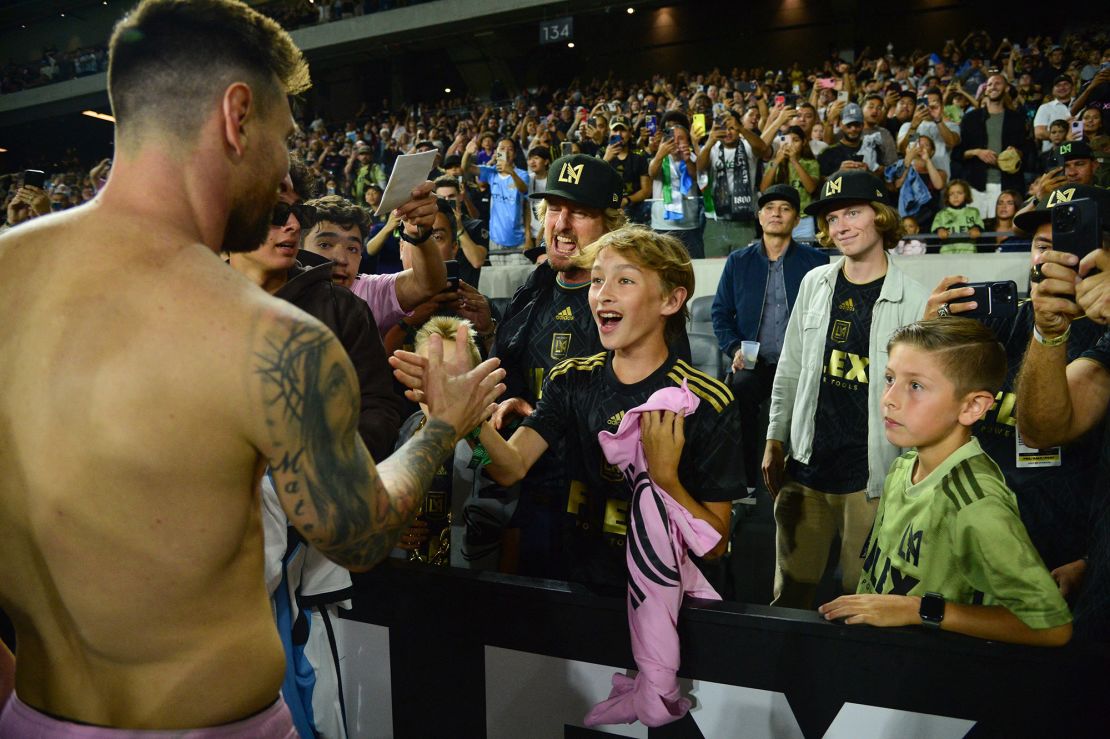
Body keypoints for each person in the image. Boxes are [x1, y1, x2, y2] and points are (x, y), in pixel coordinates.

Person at [0, 0, 505, 731]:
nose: (281, 170)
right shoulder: (271, 338)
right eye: (283, 137)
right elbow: (358, 533)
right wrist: (441, 424)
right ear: (238, 116)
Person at [398, 227, 744, 590]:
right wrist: (467, 423)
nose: (603, 295)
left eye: (624, 281)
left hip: (667, 605)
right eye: (597, 280)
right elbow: (507, 467)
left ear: (671, 301)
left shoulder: (706, 402)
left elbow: (715, 547)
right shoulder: (571, 379)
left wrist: (666, 481)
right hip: (579, 590)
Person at [818, 318, 1072, 647]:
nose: (889, 399)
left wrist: (920, 610)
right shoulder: (903, 466)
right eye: (890, 379)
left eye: (916, 386)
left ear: (972, 406)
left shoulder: (975, 504)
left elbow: (1051, 627)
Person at [763, 171, 930, 609]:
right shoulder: (814, 283)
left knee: (862, 599)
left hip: (871, 476)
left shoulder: (914, 299)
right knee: (791, 595)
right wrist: (774, 438)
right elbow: (790, 369)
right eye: (833, 218)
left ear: (880, 217)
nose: (841, 226)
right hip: (806, 469)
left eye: (853, 213)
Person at [488, 154, 626, 578]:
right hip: (522, 492)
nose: (562, 224)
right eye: (554, 209)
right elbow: (488, 422)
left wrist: (543, 417)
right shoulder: (532, 290)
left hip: (600, 509)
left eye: (580, 213)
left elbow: (649, 413)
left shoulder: (631, 301)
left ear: (611, 224)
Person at [1011, 185, 1110, 642]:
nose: (1050, 261)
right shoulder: (1018, 319)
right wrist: (1048, 333)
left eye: (1066, 245)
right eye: (1042, 247)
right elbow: (1041, 429)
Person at [710, 184, 827, 486]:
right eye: (770, 208)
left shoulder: (815, 262)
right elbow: (720, 313)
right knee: (738, 392)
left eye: (785, 208)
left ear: (796, 219)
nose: (777, 213)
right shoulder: (739, 262)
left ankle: (808, 478)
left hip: (800, 360)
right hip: (754, 360)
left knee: (820, 400)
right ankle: (746, 482)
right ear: (759, 217)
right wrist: (734, 347)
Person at [300, 194, 447, 336]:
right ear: (298, 249)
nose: (341, 259)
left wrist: (419, 235)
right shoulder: (279, 294)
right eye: (325, 245)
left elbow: (427, 285)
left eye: (352, 249)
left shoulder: (370, 293)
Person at [697, 111, 768, 256]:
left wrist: (741, 128)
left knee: (745, 268)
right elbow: (700, 167)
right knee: (713, 268)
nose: (728, 132)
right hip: (715, 220)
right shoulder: (712, 148)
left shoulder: (748, 146)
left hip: (744, 220)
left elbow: (763, 149)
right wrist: (710, 141)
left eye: (732, 128)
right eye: (724, 128)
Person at [956, 73, 1025, 219]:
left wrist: (1016, 152)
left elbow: (1027, 150)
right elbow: (957, 153)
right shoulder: (970, 118)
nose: (993, 87)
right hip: (975, 185)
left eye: (998, 83)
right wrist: (977, 152)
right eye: (990, 84)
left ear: (1006, 88)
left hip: (1006, 186)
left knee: (1001, 233)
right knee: (975, 233)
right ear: (986, 89)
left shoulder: (1017, 119)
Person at [464, 137, 531, 263]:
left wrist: (511, 172)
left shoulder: (522, 174)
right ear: (496, 152)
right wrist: (467, 153)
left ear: (515, 154)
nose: (506, 152)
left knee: (520, 280)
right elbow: (466, 168)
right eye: (502, 149)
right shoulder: (491, 173)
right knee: (499, 280)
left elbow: (523, 190)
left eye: (510, 149)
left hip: (519, 240)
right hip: (495, 239)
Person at [649, 122, 705, 258]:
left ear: (688, 141)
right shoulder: (659, 158)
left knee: (694, 267)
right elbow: (652, 173)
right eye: (672, 137)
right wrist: (659, 155)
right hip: (661, 225)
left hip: (689, 225)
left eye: (681, 138)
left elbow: (697, 179)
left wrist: (688, 161)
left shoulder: (693, 158)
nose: (675, 141)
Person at [759, 125, 820, 239]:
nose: (791, 144)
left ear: (804, 142)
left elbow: (811, 188)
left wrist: (794, 160)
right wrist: (777, 160)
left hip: (803, 219)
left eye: (796, 140)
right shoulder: (774, 163)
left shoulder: (811, 163)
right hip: (779, 217)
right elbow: (764, 189)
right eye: (787, 140)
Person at [931, 179, 983, 254]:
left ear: (966, 194)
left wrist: (976, 229)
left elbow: (979, 226)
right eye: (951, 194)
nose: (955, 196)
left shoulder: (974, 212)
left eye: (959, 193)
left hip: (969, 253)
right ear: (947, 197)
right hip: (947, 254)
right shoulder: (941, 214)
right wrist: (940, 230)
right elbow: (936, 229)